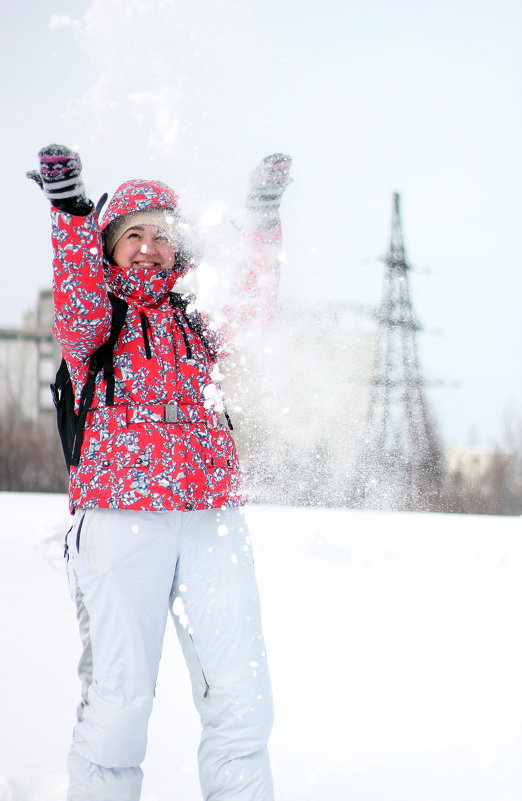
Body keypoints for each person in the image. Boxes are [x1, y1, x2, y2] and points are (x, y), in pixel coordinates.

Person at [27, 144, 292, 801]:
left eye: (161, 237)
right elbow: (78, 295)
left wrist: (261, 219)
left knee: (240, 700)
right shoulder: (97, 323)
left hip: (210, 521)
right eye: (132, 235)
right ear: (109, 246)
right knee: (119, 707)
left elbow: (250, 308)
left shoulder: (196, 322)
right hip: (120, 522)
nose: (148, 248)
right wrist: (70, 211)